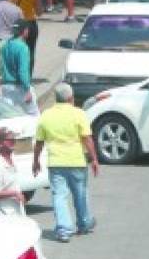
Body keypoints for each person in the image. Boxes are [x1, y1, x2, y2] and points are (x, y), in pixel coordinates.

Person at [33, 83, 99, 242]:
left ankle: (63, 229)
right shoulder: (79, 114)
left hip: (56, 162)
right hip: (76, 161)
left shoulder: (46, 115)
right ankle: (84, 223)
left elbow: (39, 142)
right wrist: (94, 159)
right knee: (80, 194)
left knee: (59, 196)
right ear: (71, 98)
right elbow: (87, 138)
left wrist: (35, 161)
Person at [0, 126, 25, 215]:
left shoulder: (11, 159)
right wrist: (14, 193)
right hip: (4, 214)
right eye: (10, 140)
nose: (14, 142)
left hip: (15, 211)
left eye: (14, 139)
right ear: (0, 143)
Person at [0, 21, 35, 116]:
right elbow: (23, 71)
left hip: (6, 87)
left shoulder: (5, 46)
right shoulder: (23, 47)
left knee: (7, 117)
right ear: (25, 31)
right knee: (33, 115)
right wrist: (27, 89)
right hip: (20, 87)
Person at [10, 0, 41, 75]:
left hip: (18, 24)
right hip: (30, 24)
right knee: (31, 50)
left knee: (17, 49)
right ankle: (28, 74)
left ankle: (17, 73)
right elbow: (39, 12)